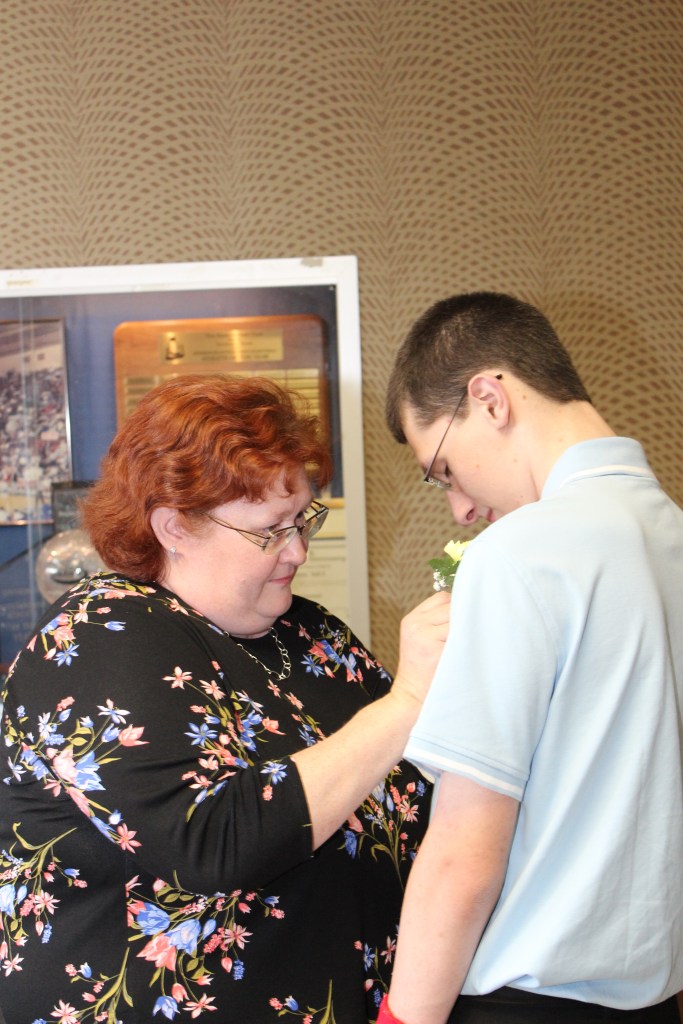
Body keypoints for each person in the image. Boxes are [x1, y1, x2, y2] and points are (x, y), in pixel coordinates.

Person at [0, 374, 450, 1024]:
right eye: (270, 530)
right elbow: (208, 842)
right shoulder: (102, 633)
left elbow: (420, 790)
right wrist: (405, 703)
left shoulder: (314, 635)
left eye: (303, 519)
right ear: (174, 527)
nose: (298, 550)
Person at [379, 292, 683, 1024]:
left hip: (525, 1001)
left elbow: (462, 856)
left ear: (490, 398)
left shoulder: (518, 555)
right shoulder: (671, 534)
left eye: (442, 468)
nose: (459, 508)